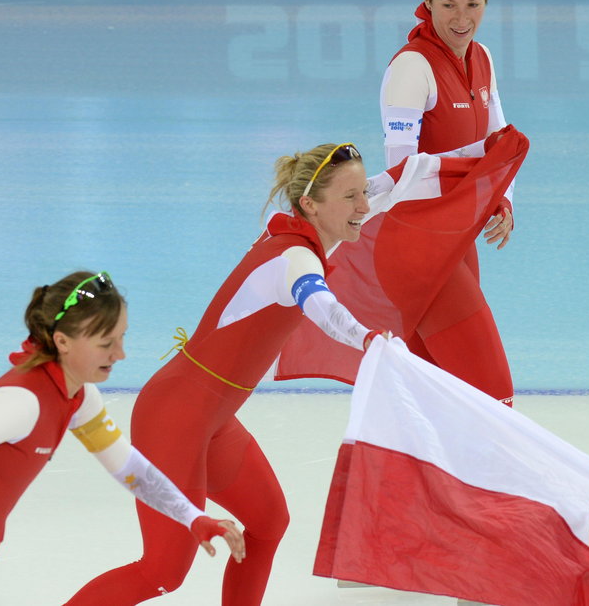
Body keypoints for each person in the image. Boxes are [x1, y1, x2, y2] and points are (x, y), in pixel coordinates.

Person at [64, 143, 390, 606]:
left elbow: (389, 185)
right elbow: (324, 309)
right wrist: (367, 338)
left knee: (269, 521)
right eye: (352, 197)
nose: (365, 207)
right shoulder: (296, 260)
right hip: (175, 417)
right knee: (162, 572)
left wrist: (463, 169)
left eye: (364, 192)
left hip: (211, 420)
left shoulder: (297, 229)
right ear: (311, 205)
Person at [0, 270, 243, 606]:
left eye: (122, 338)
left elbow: (128, 468)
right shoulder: (21, 401)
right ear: (62, 341)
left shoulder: (77, 397)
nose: (121, 354)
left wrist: (193, 517)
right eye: (105, 344)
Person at [374, 0, 516, 404]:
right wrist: (476, 168)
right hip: (419, 248)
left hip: (457, 240)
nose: (462, 18)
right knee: (492, 394)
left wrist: (503, 197)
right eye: (448, 5)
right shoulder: (412, 68)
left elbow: (498, 136)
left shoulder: (484, 58)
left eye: (473, 5)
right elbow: (401, 173)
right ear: (428, 1)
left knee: (436, 399)